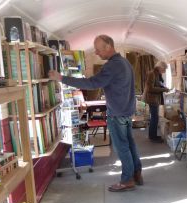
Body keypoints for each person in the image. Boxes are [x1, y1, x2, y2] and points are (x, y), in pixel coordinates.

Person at [49, 34, 143, 192]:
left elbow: (92, 83)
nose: (97, 53)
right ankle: (136, 173)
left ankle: (127, 180)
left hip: (117, 113)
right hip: (127, 111)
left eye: (98, 50)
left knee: (122, 147)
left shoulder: (112, 66)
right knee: (130, 144)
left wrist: (62, 78)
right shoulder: (125, 62)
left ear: (108, 46)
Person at [143, 61, 169, 143]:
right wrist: (163, 89)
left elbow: (157, 84)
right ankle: (152, 137)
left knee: (154, 118)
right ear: (160, 67)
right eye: (164, 69)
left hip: (155, 99)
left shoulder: (157, 74)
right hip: (152, 99)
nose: (164, 71)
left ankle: (153, 135)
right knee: (154, 118)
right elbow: (150, 88)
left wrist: (164, 87)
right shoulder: (152, 74)